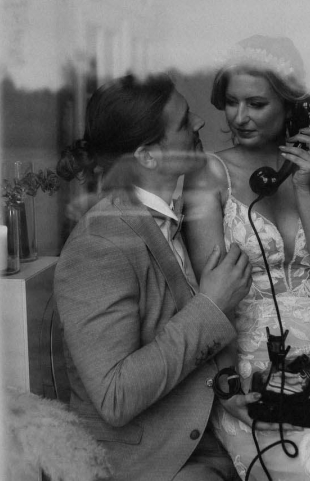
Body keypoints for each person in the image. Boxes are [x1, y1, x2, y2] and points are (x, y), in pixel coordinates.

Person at [183, 35, 310, 481]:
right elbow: (211, 302)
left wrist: (302, 188)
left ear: (295, 107)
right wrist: (229, 386)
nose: (239, 117)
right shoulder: (209, 177)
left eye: (256, 104)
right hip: (256, 373)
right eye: (232, 102)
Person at [53, 72, 255, 481]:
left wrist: (228, 385)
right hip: (147, 462)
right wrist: (212, 306)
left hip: (205, 431)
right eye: (183, 122)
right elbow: (115, 397)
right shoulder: (99, 244)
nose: (199, 122)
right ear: (147, 157)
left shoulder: (164, 215)